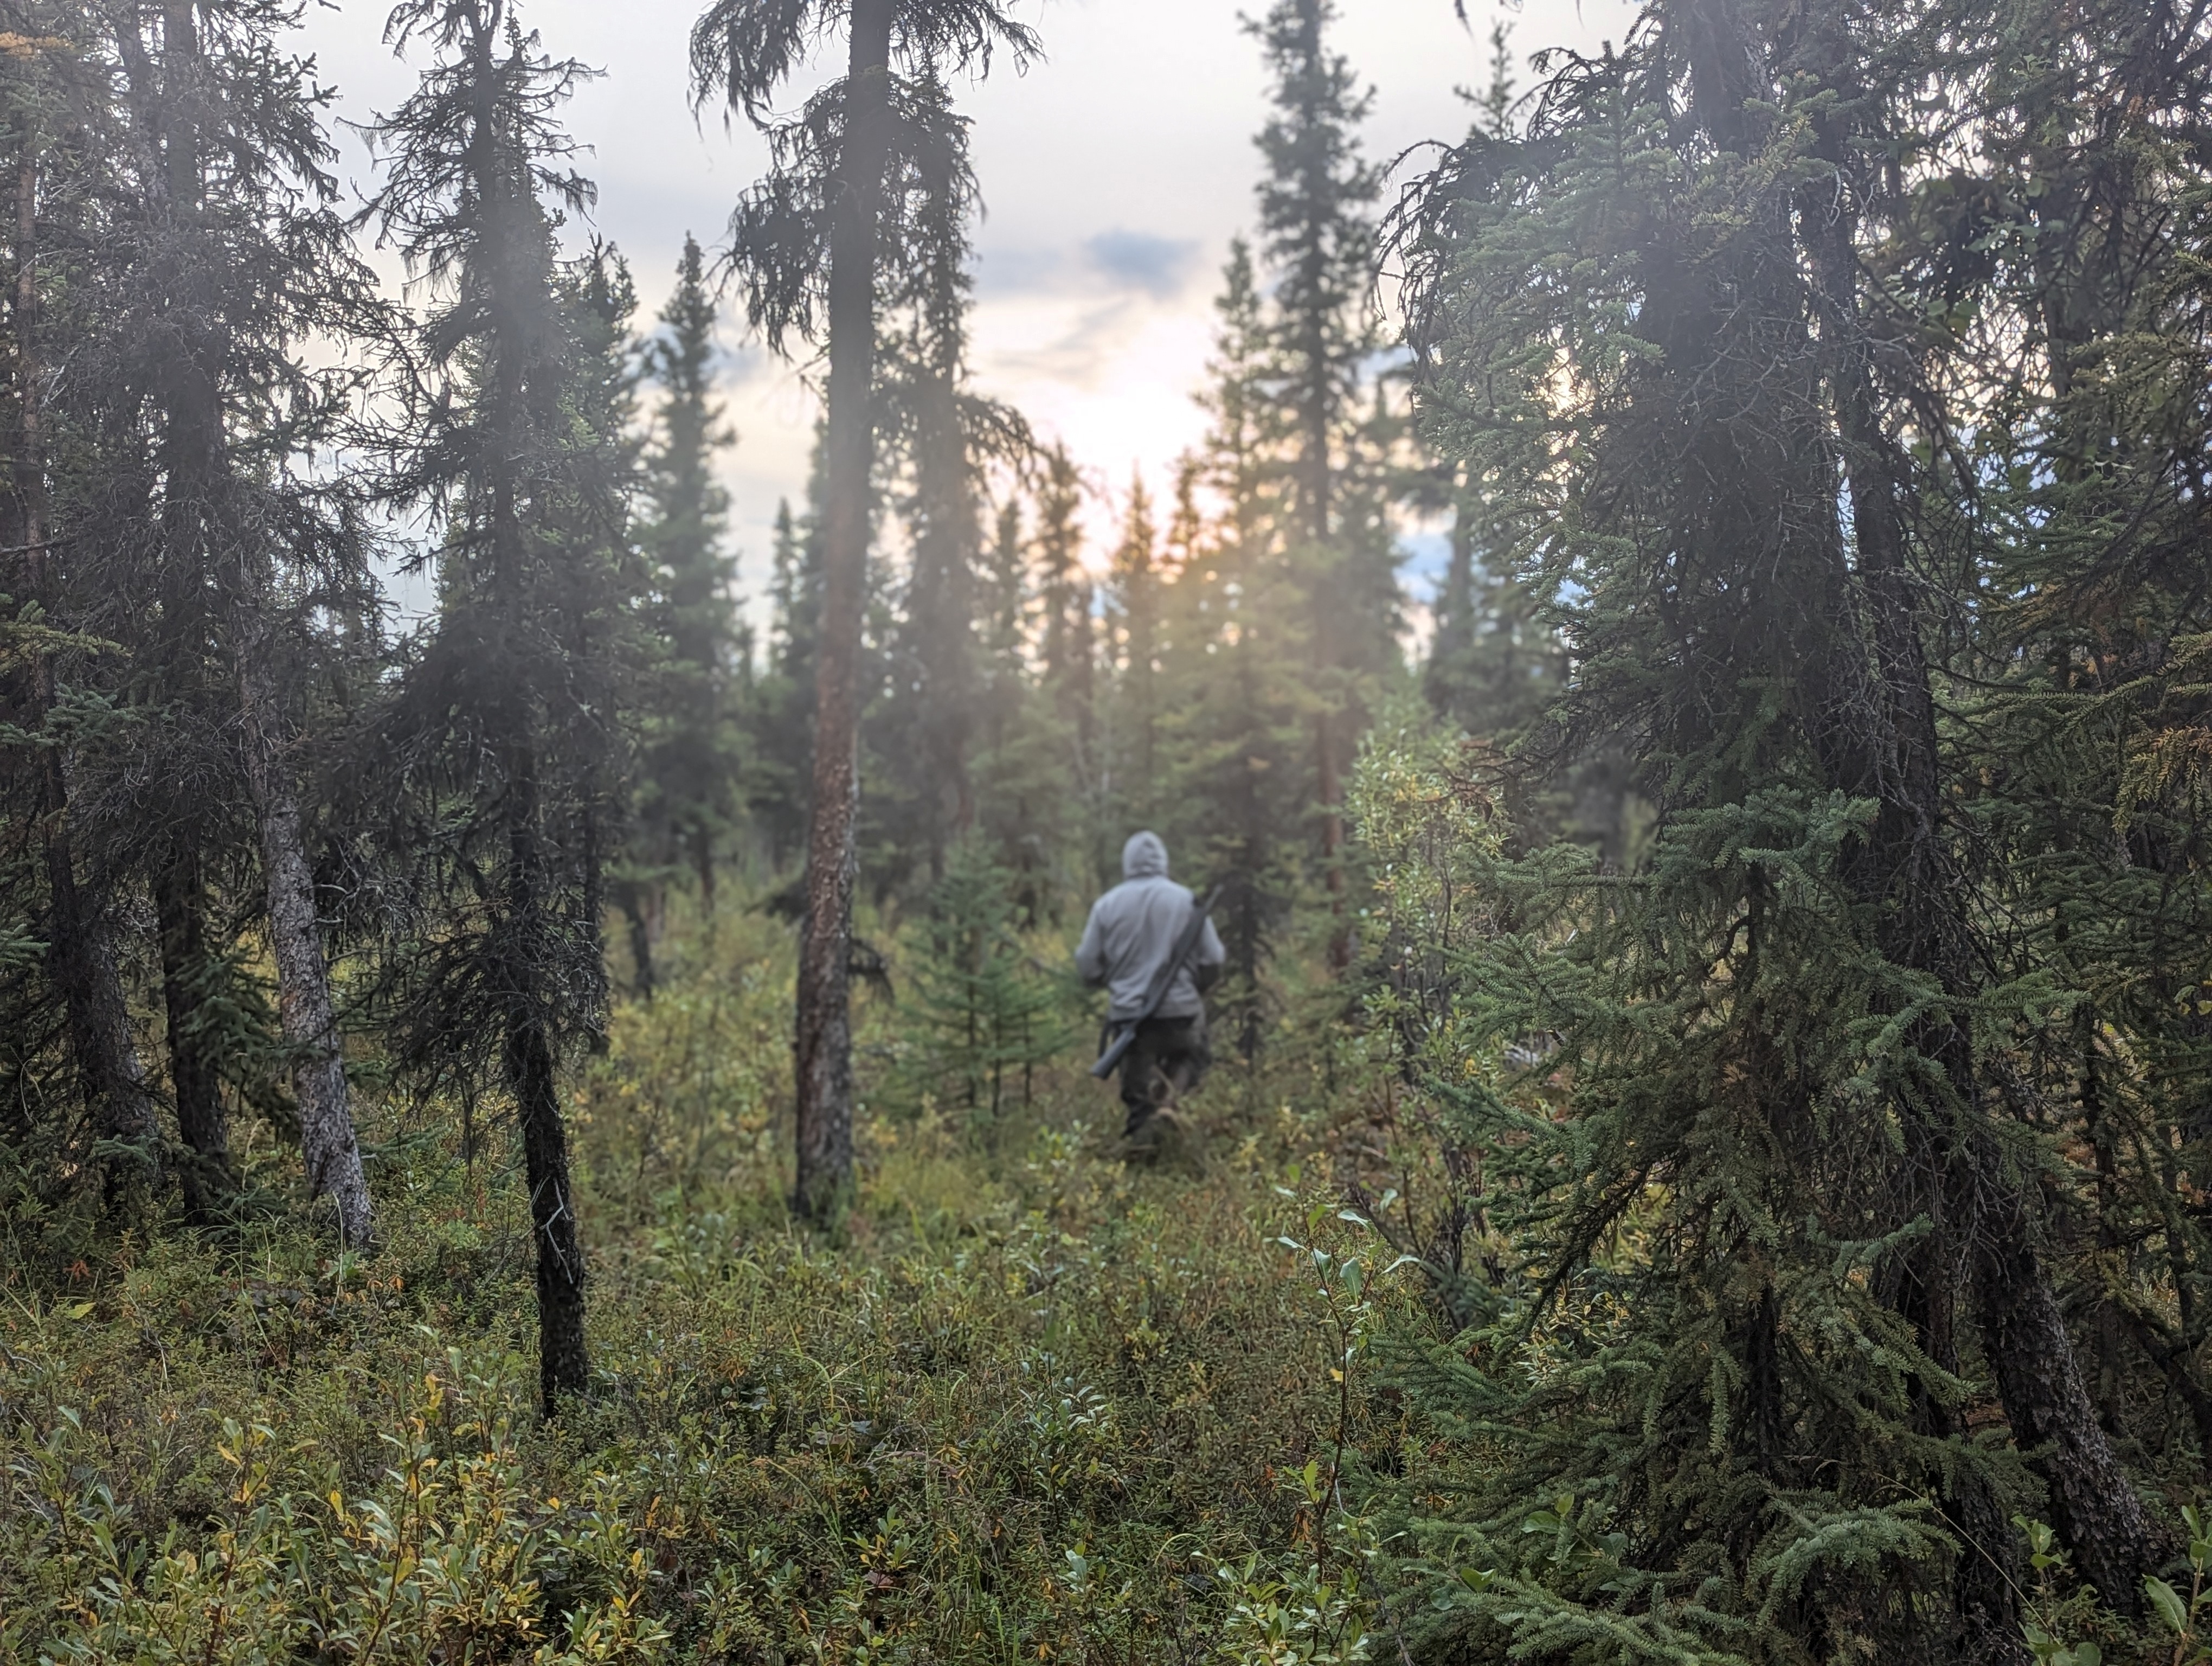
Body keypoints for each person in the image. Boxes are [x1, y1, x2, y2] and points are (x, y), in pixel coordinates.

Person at [1076, 831, 1226, 1147]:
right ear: (1164, 861)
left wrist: (1112, 980)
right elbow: (1213, 959)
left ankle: (1145, 1146)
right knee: (1193, 1056)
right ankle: (1171, 1106)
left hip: (1132, 1020)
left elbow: (1088, 965)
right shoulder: (1186, 900)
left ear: (1128, 862)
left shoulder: (1106, 905)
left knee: (1138, 1098)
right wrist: (1196, 988)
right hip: (1182, 1016)